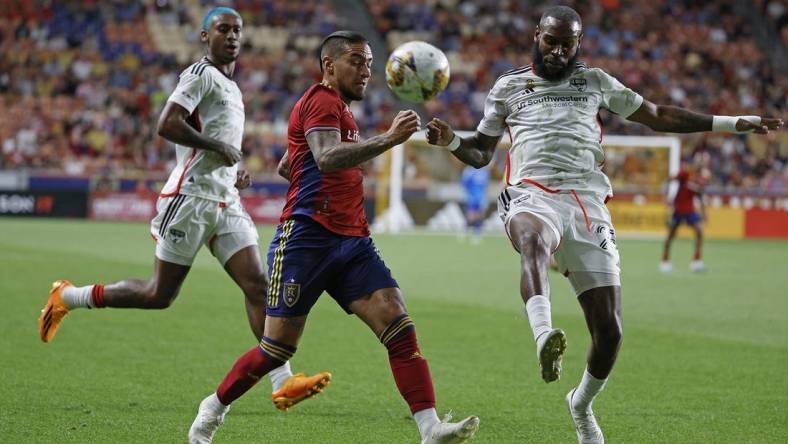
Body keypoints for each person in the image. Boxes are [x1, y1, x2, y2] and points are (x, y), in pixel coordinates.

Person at [426, 5, 783, 443]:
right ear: (536, 35)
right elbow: (481, 151)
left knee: (610, 331)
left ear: (579, 42)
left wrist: (731, 124)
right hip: (532, 194)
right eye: (550, 41)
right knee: (532, 239)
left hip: (588, 203)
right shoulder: (508, 87)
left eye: (567, 43)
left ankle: (580, 404)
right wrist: (452, 141)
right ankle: (543, 337)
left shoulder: (595, 81)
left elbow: (657, 115)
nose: (557, 51)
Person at [188, 30, 480, 444]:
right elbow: (325, 158)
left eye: (370, 64)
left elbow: (293, 164)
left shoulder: (334, 107)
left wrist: (312, 163)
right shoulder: (322, 100)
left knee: (399, 325)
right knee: (276, 349)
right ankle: (212, 410)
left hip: (353, 241)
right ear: (329, 65)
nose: (367, 71)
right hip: (306, 241)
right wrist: (389, 139)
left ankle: (430, 427)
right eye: (357, 62)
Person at [37, 6, 329, 412]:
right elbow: (167, 123)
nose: (231, 36)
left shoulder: (232, 87)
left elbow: (217, 145)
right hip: (189, 198)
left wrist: (234, 170)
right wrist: (218, 148)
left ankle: (282, 380)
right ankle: (68, 296)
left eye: (237, 30)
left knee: (258, 285)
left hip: (224, 198)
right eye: (222, 29)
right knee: (160, 295)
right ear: (204, 37)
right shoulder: (199, 74)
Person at [661, 168, 708, 273]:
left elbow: (701, 196)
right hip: (678, 210)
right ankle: (665, 262)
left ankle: (696, 262)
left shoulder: (698, 183)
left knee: (700, 231)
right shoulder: (685, 175)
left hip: (690, 212)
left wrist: (704, 213)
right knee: (670, 236)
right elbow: (670, 179)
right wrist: (666, 196)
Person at [460, 164, 490, 243]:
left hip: (481, 197)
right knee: (471, 215)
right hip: (471, 196)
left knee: (480, 215)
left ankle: (476, 234)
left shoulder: (485, 171)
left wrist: (485, 196)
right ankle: (464, 231)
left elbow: (486, 185)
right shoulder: (469, 170)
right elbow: (464, 183)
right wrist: (467, 194)